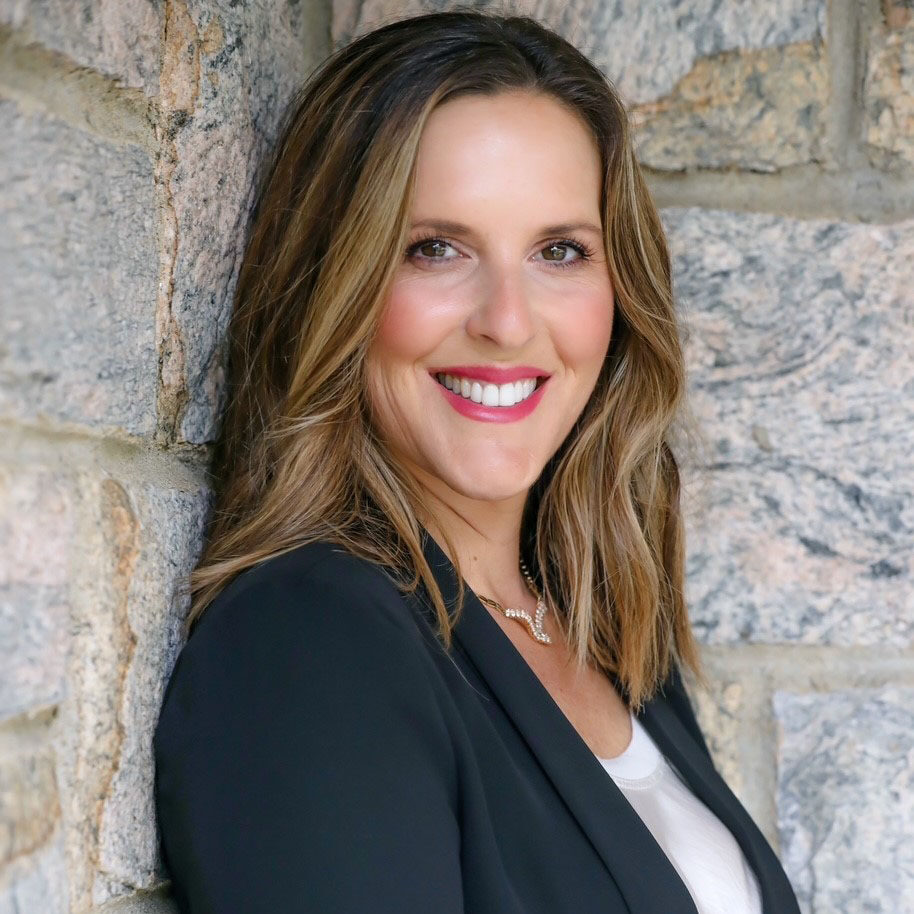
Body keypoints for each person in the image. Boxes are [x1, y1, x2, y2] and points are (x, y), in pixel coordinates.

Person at [152, 9, 801, 913]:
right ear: (334, 282)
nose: (506, 320)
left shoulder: (594, 621)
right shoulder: (306, 649)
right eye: (436, 249)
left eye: (559, 251)